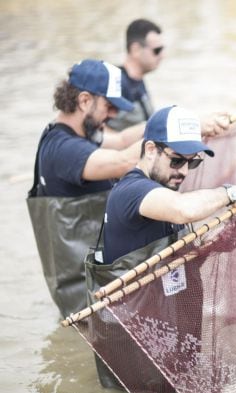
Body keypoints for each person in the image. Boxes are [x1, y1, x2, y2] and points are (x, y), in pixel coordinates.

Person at [87, 105, 236, 390]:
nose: (183, 172)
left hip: (166, 331)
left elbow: (171, 255)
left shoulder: (162, 192)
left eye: (192, 163)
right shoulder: (133, 190)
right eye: (177, 160)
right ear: (151, 149)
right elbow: (183, 210)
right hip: (137, 344)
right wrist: (229, 193)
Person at [27, 59, 141, 318]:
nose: (113, 115)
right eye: (109, 106)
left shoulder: (79, 136)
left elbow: (123, 140)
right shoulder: (65, 149)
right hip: (87, 297)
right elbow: (125, 161)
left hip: (98, 284)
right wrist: (168, 137)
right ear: (85, 101)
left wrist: (182, 124)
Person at [106, 18, 163, 132]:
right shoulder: (114, 81)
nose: (162, 56)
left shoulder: (138, 79)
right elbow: (94, 127)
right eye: (157, 50)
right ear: (135, 49)